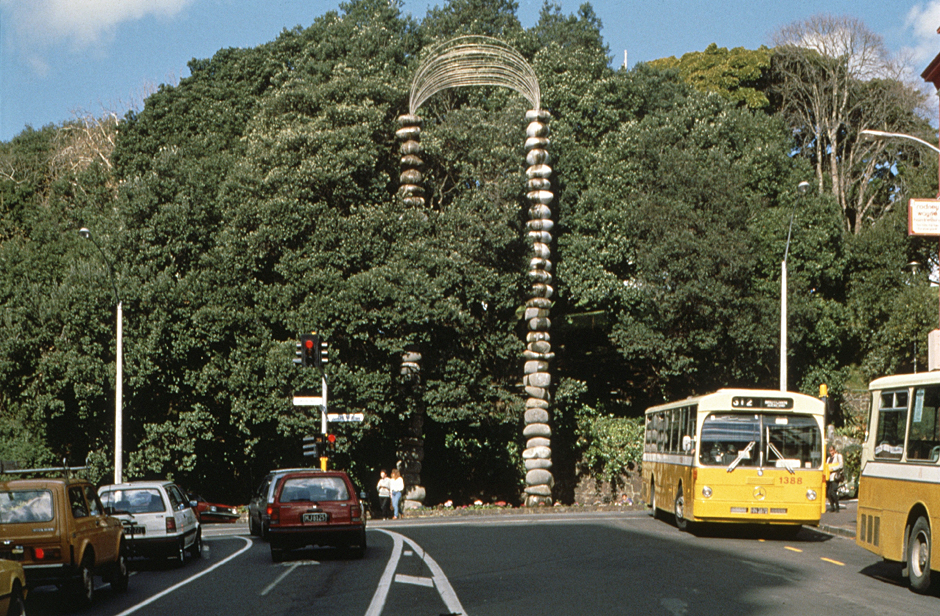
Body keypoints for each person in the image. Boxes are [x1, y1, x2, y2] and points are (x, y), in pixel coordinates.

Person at [826, 445, 844, 512]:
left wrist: (833, 469)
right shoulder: (828, 458)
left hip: (835, 476)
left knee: (833, 492)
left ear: (834, 450)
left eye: (832, 450)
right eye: (830, 451)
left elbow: (841, 465)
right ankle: (832, 507)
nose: (831, 452)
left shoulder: (838, 456)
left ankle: (837, 506)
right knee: (828, 493)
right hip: (829, 477)